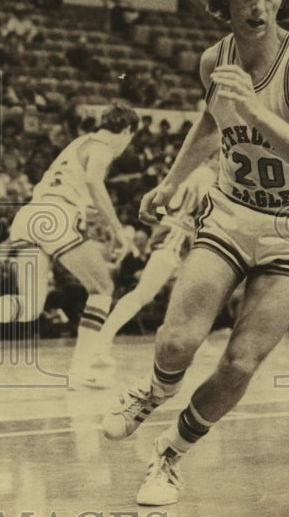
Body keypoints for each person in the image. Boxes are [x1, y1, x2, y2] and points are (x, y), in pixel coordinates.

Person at [103, 0, 289, 507]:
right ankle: (152, 391)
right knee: (177, 342)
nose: (259, 6)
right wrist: (170, 181)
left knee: (241, 358)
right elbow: (212, 121)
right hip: (232, 212)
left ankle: (169, 457)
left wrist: (256, 111)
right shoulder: (215, 60)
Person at [0, 103, 139, 382]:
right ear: (128, 131)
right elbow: (95, 183)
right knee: (102, 288)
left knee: (31, 305)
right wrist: (117, 229)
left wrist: (94, 218)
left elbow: (79, 190)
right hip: (56, 216)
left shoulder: (79, 144)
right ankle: (81, 369)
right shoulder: (104, 147)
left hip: (30, 215)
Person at [79, 159, 218, 389]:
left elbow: (164, 204)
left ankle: (198, 342)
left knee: (193, 293)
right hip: (177, 236)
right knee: (143, 294)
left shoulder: (191, 173)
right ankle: (101, 341)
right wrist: (175, 225)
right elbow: (206, 208)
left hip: (177, 234)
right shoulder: (205, 175)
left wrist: (165, 222)